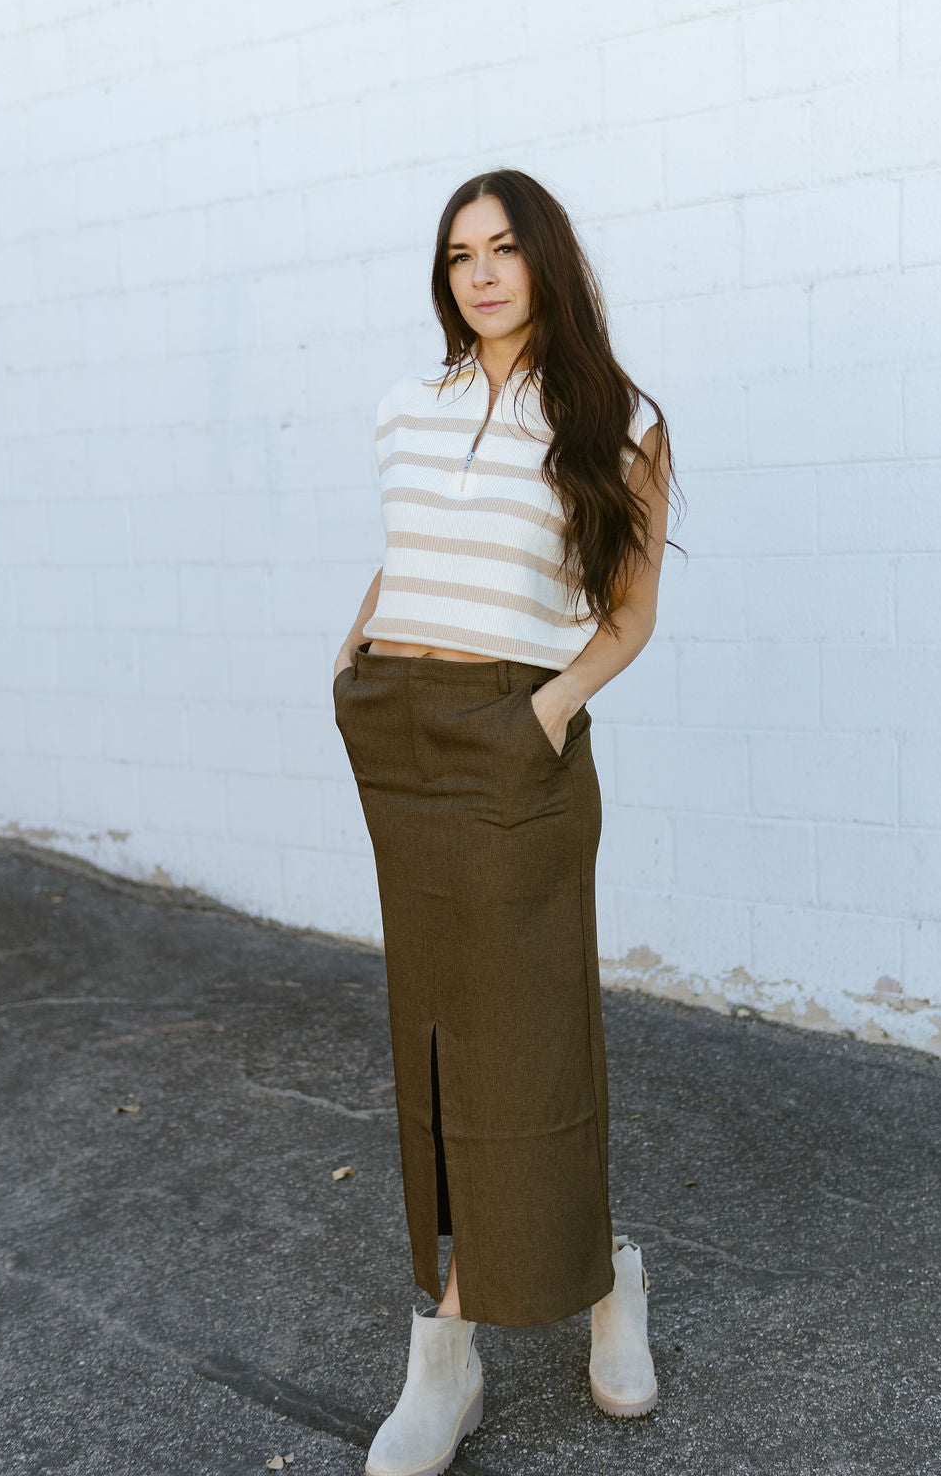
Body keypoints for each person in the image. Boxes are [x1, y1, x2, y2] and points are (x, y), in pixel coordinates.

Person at [331, 169, 683, 1476]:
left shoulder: (620, 419)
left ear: (548, 261)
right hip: (401, 739)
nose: (480, 273)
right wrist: (353, 665)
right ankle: (462, 1350)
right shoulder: (405, 408)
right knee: (429, 1040)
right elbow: (409, 549)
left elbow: (629, 615)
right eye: (459, 253)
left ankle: (577, 1296)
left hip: (510, 740)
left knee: (525, 1040)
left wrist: (549, 711)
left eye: (504, 249)